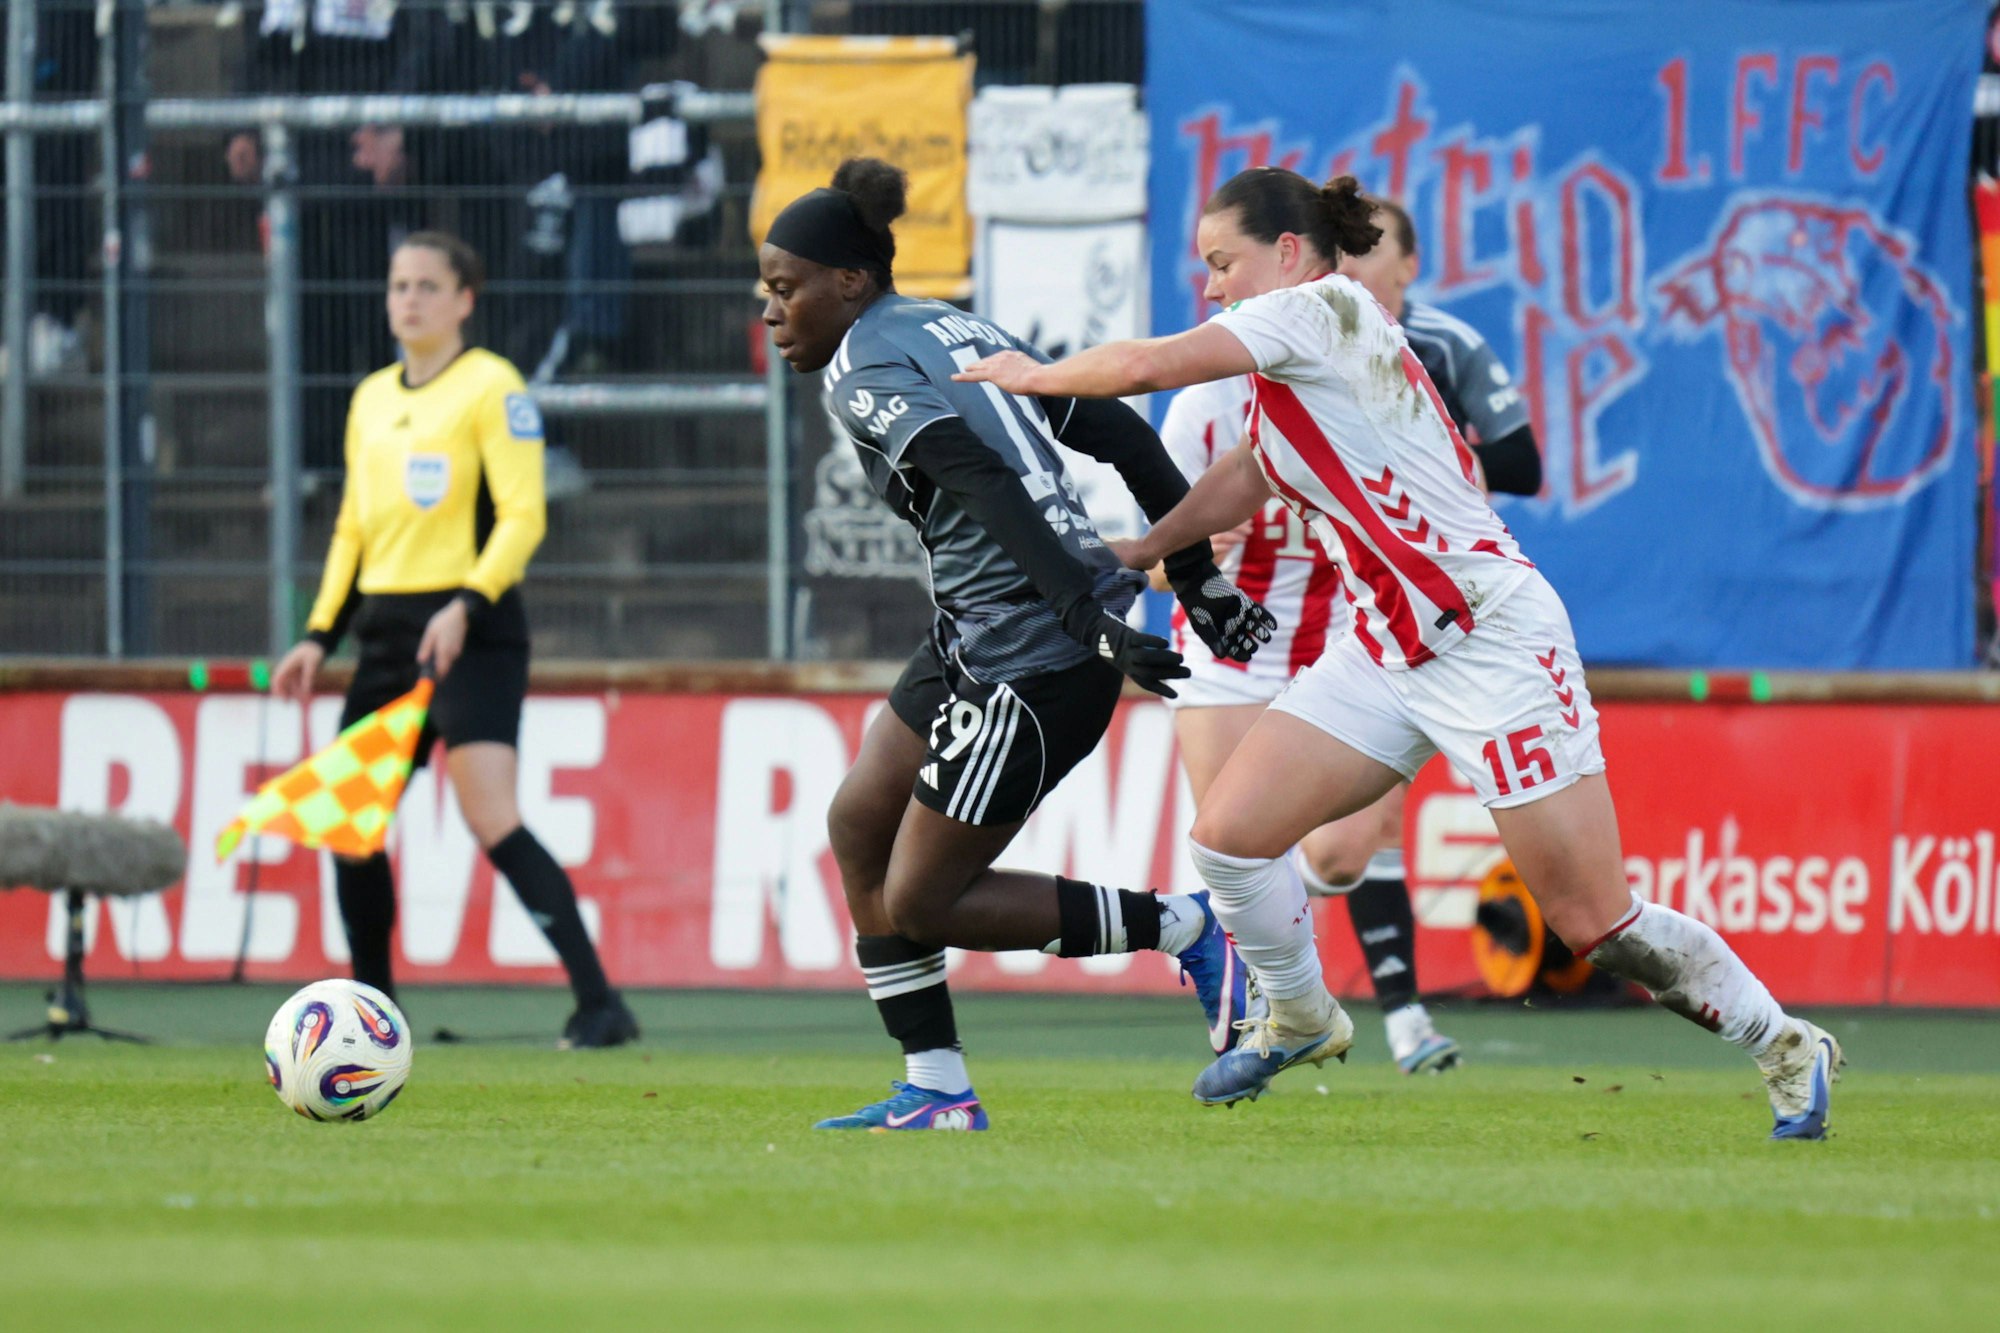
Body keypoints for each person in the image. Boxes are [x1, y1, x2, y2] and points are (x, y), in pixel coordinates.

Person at [955, 168, 1843, 1140]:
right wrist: (1147, 543)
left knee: (1594, 925)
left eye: (1221, 263)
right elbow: (1251, 471)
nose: (1209, 286)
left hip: (1491, 638)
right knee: (1228, 838)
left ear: (1286, 254)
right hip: (1388, 648)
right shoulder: (1296, 358)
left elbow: (1142, 367)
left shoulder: (1317, 309)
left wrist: (1031, 374)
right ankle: (1300, 1013)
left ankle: (1786, 1043)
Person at [761, 157, 1276, 1131]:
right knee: (856, 823)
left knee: (920, 899)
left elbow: (973, 475)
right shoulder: (952, 326)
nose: (771, 311)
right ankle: (937, 1088)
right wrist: (1198, 580)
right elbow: (1115, 428)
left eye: (784, 289)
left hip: (1028, 652)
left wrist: (1081, 611)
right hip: (984, 626)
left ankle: (1188, 927)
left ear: (849, 282)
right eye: (765, 292)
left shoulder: (862, 364)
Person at [1151, 194, 1545, 1074]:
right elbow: (1160, 545)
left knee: (1335, 851)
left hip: (1345, 637)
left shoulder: (1379, 363)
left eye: (1225, 266)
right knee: (1230, 843)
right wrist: (1171, 552)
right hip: (1227, 650)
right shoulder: (1211, 399)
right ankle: (1263, 1028)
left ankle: (1350, 1006)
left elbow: (1506, 470)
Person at [270, 231, 637, 1050]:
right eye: (399, 284)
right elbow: (353, 529)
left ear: (465, 300)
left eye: (428, 286)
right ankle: (374, 1016)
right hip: (390, 636)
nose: (409, 299)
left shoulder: (491, 388)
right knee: (350, 828)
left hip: (472, 630)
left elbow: (523, 515)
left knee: (491, 817)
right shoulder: (370, 398)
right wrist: (316, 634)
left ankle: (600, 1002)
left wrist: (466, 602)